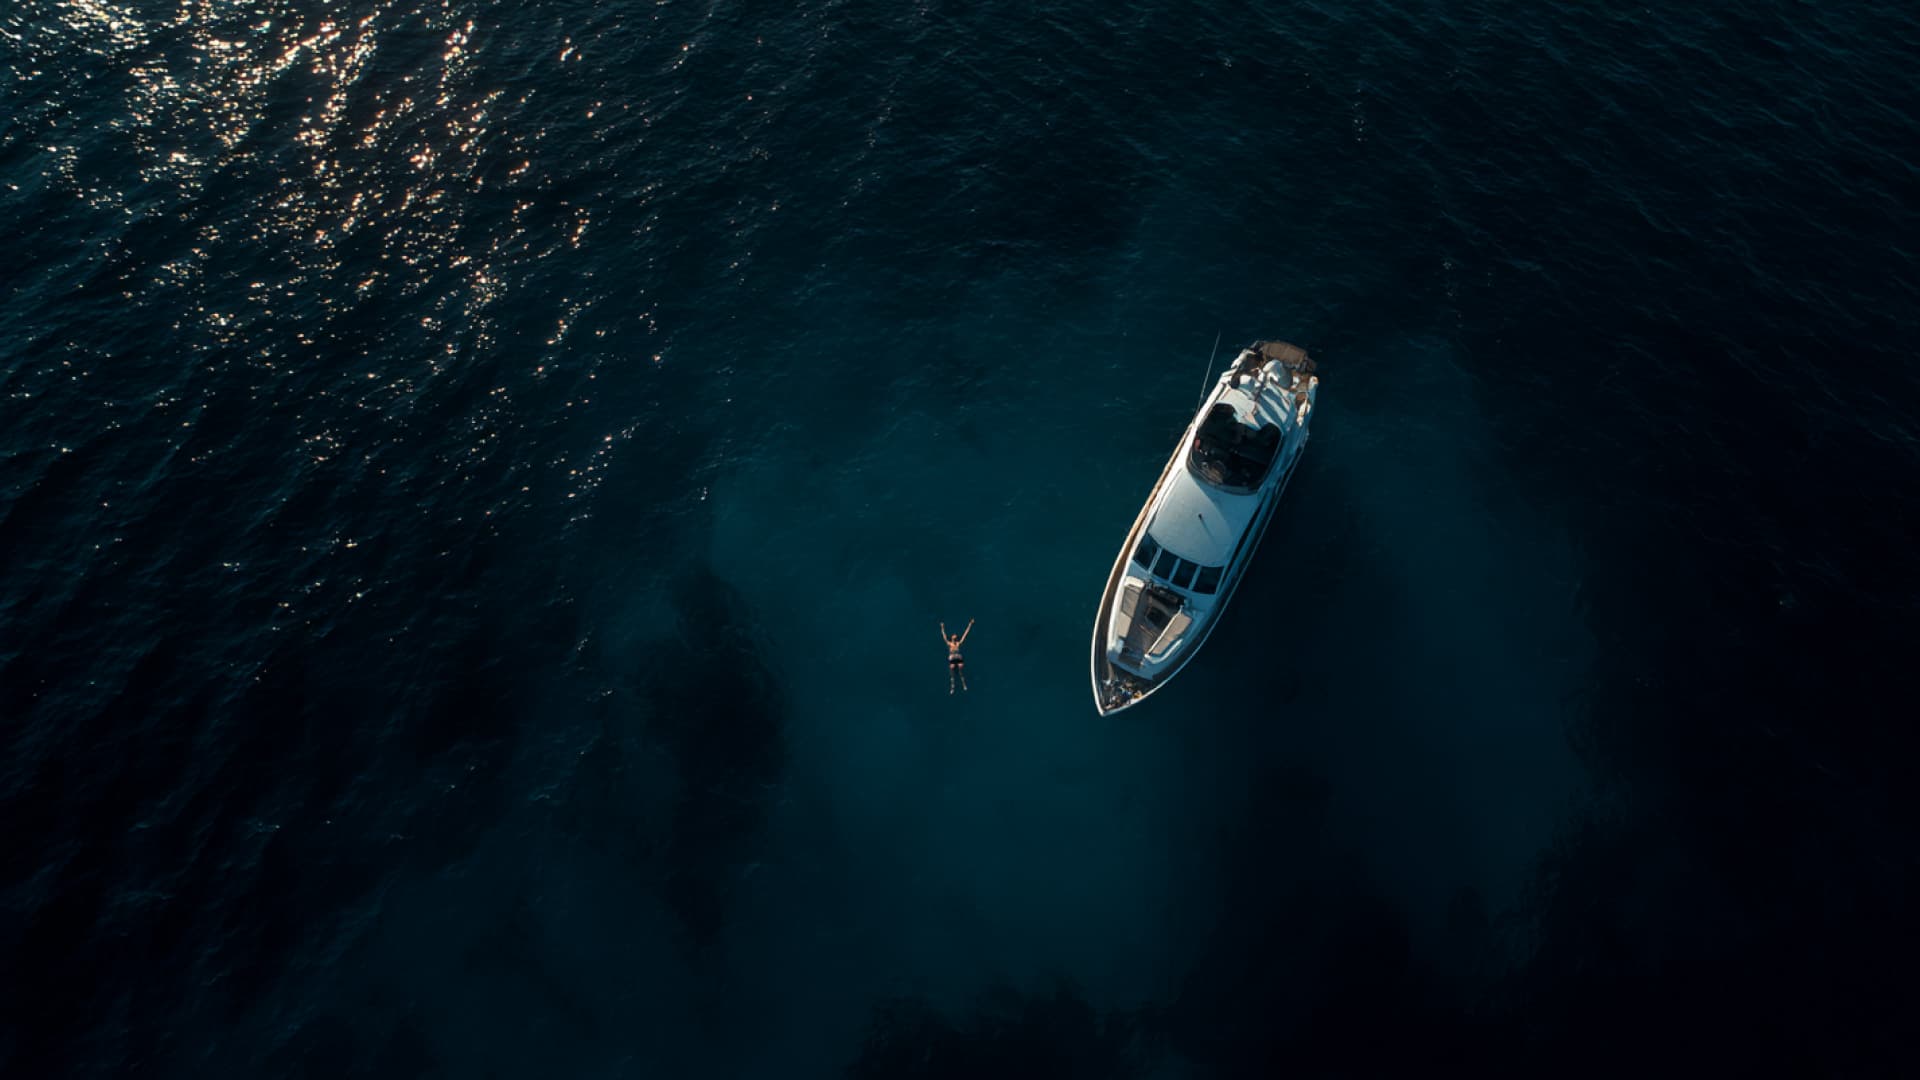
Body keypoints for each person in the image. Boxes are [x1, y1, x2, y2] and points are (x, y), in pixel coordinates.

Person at [941, 619, 973, 694]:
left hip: (958, 657)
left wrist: (970, 625)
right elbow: (944, 636)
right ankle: (952, 685)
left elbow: (965, 634)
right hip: (953, 657)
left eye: (955, 637)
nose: (954, 638)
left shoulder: (958, 643)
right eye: (953, 637)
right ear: (952, 638)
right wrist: (942, 628)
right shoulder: (949, 644)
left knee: (960, 670)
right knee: (952, 670)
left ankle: (963, 683)